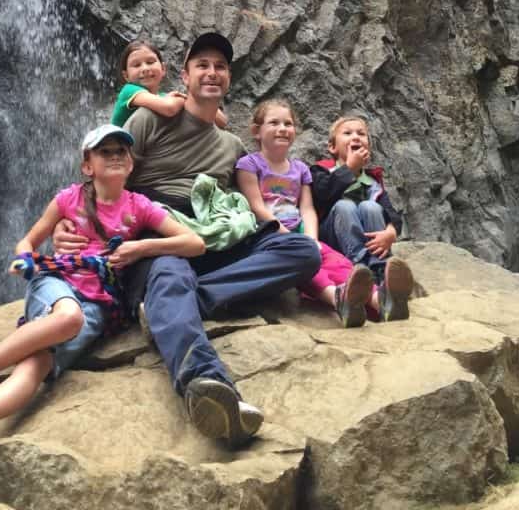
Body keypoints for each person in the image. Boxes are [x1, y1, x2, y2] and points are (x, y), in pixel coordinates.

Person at [56, 32, 321, 448]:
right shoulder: (148, 120)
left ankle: (187, 300)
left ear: (228, 78)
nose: (212, 73)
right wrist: (67, 224)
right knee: (170, 272)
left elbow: (258, 196)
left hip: (213, 235)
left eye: (220, 66)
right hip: (159, 234)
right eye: (203, 65)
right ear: (185, 75)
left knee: (302, 250)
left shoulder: (232, 146)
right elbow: (104, 174)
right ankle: (206, 384)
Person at [0, 124, 204, 456]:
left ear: (130, 163)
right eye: (104, 151)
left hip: (99, 302)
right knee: (69, 318)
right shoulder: (68, 199)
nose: (114, 156)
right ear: (87, 166)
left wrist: (139, 249)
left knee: (38, 364)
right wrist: (28, 260)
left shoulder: (138, 205)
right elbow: (27, 241)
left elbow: (195, 243)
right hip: (58, 283)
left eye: (120, 151)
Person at [235, 99, 400, 328]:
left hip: (300, 229)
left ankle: (379, 298)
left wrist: (311, 239)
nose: (282, 128)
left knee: (334, 259)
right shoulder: (248, 164)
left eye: (288, 123)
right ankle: (337, 298)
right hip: (268, 232)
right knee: (304, 262)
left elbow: (307, 208)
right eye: (274, 123)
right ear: (256, 131)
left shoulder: (300, 169)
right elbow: (257, 207)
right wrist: (286, 234)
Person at [310, 114, 413, 321]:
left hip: (371, 246)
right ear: (332, 147)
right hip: (336, 243)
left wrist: (391, 233)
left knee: (371, 207)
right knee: (345, 206)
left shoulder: (372, 180)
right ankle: (361, 272)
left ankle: (381, 276)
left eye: (361, 133)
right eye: (347, 133)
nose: (355, 137)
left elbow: (390, 212)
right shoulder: (320, 170)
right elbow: (321, 195)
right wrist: (348, 168)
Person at [111, 39, 227, 129]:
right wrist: (185, 99)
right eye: (136, 65)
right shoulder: (129, 91)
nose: (145, 68)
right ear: (126, 76)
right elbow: (169, 108)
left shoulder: (164, 97)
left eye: (150, 62)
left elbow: (222, 121)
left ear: (163, 68)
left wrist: (195, 101)